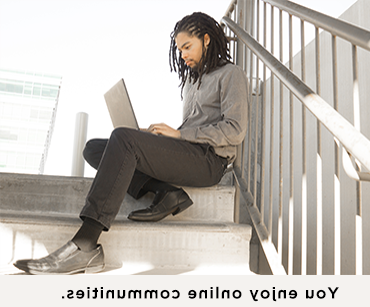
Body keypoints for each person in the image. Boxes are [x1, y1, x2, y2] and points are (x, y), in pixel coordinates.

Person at [13, 12, 249, 275]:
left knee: (123, 140)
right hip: (188, 151)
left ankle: (85, 244)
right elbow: (195, 126)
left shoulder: (231, 74)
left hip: (209, 162)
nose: (182, 54)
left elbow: (235, 130)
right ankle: (166, 191)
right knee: (94, 148)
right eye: (179, 49)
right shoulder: (193, 81)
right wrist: (160, 136)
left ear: (206, 40)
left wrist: (180, 136)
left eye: (187, 47)